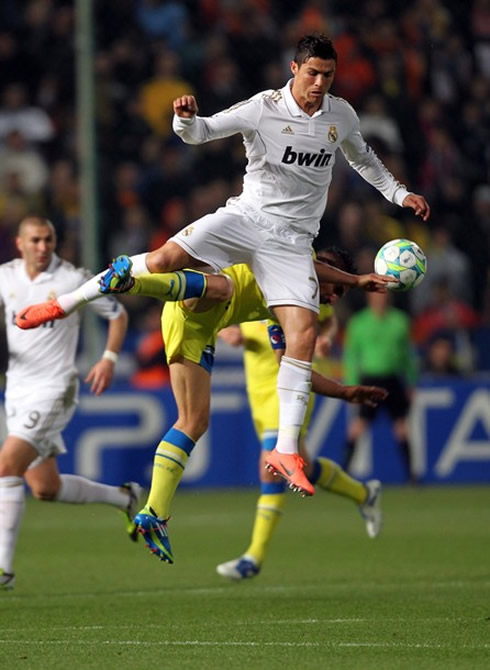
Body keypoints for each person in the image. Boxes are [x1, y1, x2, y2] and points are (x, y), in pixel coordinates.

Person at [16, 34, 430, 497]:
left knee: (304, 334)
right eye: (312, 73)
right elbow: (203, 131)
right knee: (161, 260)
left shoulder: (341, 116)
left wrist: (399, 194)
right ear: (294, 69)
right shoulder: (263, 107)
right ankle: (66, 303)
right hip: (246, 219)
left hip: (292, 242)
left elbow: (364, 159)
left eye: (327, 76)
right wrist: (183, 119)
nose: (319, 84)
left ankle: (286, 450)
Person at [49, 250, 384, 565]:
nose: (335, 298)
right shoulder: (292, 257)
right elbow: (306, 268)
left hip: (205, 330)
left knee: (193, 421)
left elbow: (290, 361)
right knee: (219, 288)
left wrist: (342, 391)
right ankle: (132, 282)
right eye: (336, 287)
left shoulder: (291, 307)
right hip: (206, 304)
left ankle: (154, 512)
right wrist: (356, 281)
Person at [215, 250, 384, 581]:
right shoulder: (264, 277)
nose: (332, 299)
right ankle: (364, 494)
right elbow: (223, 307)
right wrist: (225, 331)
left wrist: (325, 339)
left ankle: (254, 556)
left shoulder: (307, 298)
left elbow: (329, 321)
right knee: (302, 461)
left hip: (290, 389)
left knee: (271, 466)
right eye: (334, 289)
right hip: (258, 388)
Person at [0, 217, 139, 591]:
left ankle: (3, 570)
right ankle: (124, 497)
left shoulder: (73, 278)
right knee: (44, 487)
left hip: (55, 387)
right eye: (36, 240)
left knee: (6, 464)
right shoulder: (5, 277)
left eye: (49, 240)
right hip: (17, 389)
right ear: (20, 243)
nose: (43, 247)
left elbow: (118, 314)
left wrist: (108, 358)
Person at [342, 290, 418, 483]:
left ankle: (411, 475)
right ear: (369, 298)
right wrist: (351, 384)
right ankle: (344, 471)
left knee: (401, 427)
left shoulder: (400, 321)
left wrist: (411, 381)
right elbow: (351, 356)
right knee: (359, 425)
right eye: (376, 296)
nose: (380, 300)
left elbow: (408, 355)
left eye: (383, 296)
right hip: (370, 379)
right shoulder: (359, 323)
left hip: (393, 379)